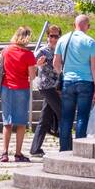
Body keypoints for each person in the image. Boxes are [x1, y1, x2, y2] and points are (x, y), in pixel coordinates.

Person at [54, 14, 95, 152]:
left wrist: (61, 74)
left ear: (74, 24)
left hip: (68, 82)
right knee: (82, 116)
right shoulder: (90, 41)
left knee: (66, 118)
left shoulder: (62, 40)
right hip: (86, 82)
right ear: (88, 26)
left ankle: (64, 149)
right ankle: (80, 150)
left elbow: (56, 63)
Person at [0, 26, 37, 162]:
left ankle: (4, 153)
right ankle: (18, 153)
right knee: (21, 123)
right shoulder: (28, 55)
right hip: (21, 88)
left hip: (6, 87)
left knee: (7, 122)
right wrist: (36, 65)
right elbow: (32, 76)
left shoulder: (6, 50)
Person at [29, 24, 62, 157]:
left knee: (44, 118)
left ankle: (35, 148)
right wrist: (38, 64)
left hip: (56, 86)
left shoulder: (61, 50)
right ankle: (66, 146)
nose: (53, 39)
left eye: (56, 36)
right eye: (50, 36)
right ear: (47, 36)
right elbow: (31, 64)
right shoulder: (42, 51)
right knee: (63, 113)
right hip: (46, 87)